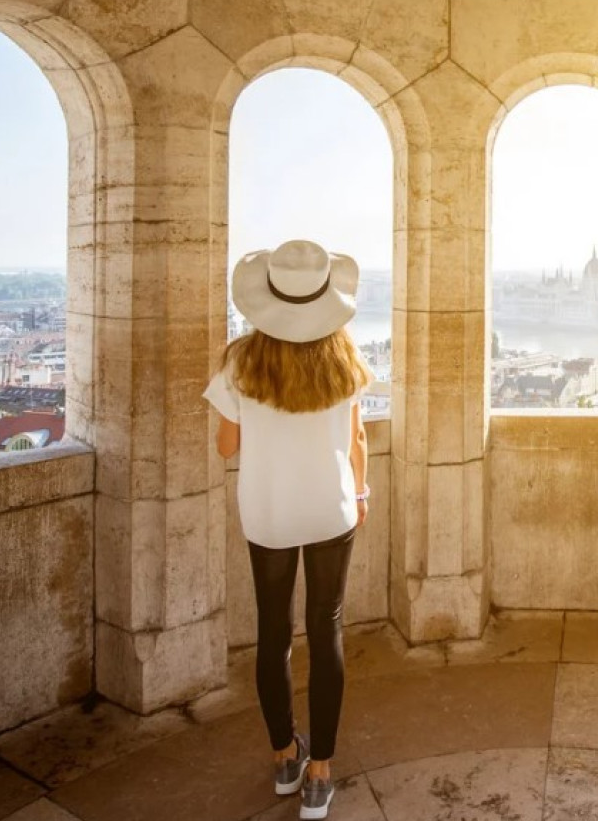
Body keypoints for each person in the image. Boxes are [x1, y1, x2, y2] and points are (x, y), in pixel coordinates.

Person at [205, 239, 372, 820]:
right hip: (331, 507)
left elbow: (228, 446)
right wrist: (362, 490)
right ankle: (320, 774)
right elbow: (356, 440)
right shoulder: (343, 356)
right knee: (325, 631)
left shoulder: (240, 362)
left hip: (269, 510)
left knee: (272, 636)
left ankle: (284, 759)